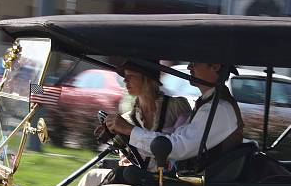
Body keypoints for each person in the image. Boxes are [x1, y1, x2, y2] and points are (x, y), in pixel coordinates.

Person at [74, 61, 191, 186]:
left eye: (131, 75)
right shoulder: (127, 118)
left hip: (162, 180)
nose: (125, 80)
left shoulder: (176, 106)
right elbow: (127, 155)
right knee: (92, 176)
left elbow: (182, 145)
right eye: (125, 75)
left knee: (100, 177)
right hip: (135, 176)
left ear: (147, 78)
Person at [104, 62, 244, 172]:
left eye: (194, 62)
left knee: (121, 175)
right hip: (191, 180)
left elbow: (176, 147)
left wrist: (130, 130)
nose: (189, 67)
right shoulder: (209, 105)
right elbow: (172, 137)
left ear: (215, 66)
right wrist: (125, 137)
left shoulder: (219, 108)